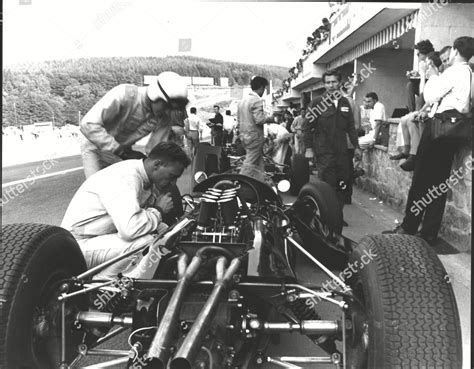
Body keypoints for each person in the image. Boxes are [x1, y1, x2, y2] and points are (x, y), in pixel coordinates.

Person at [384, 36, 473, 245]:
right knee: (439, 185)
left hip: (438, 130)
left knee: (421, 181)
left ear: (456, 51)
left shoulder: (454, 71)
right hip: (454, 132)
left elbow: (429, 95)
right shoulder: (470, 73)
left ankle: (409, 226)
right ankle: (429, 232)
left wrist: (428, 75)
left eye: (451, 51)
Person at [61, 142, 191, 279]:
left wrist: (171, 234)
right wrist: (158, 210)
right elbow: (130, 230)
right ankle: (101, 286)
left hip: (96, 240)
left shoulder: (145, 179)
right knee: (146, 243)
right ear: (157, 165)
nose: (173, 183)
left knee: (159, 239)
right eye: (172, 176)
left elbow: (145, 218)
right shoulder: (126, 177)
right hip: (77, 247)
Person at [79, 71, 189, 178]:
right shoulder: (125, 94)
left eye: (171, 110)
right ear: (155, 95)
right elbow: (88, 124)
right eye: (166, 107)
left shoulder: (164, 117)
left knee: (129, 188)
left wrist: (150, 163)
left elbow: (156, 149)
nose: (167, 112)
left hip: (123, 153)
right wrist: (121, 151)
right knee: (96, 187)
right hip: (95, 147)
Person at [304, 70, 361, 211]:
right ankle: (326, 216)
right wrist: (309, 149)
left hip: (342, 152)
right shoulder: (317, 103)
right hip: (324, 152)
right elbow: (307, 127)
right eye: (328, 82)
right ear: (324, 84)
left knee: (342, 184)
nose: (331, 85)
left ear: (339, 83)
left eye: (334, 82)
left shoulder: (345, 103)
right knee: (327, 186)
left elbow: (351, 128)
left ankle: (338, 216)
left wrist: (357, 146)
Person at [391, 51, 444, 171]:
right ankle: (407, 150)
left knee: (411, 121)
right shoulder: (432, 79)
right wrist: (421, 110)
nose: (427, 68)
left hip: (435, 113)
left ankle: (414, 155)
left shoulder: (438, 79)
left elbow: (424, 96)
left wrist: (423, 74)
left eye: (428, 65)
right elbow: (426, 99)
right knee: (405, 119)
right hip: (428, 109)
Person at [237, 76, 269, 182]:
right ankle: (238, 184)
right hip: (254, 137)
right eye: (264, 89)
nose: (264, 91)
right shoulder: (256, 100)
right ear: (260, 88)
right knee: (249, 163)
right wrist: (271, 119)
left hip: (244, 136)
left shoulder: (242, 101)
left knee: (259, 163)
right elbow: (259, 120)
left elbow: (238, 120)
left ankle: (260, 184)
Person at [406, 40, 435, 112]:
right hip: (426, 85)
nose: (418, 57)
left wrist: (422, 74)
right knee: (410, 85)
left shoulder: (434, 60)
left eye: (419, 54)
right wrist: (417, 75)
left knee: (410, 85)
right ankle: (411, 111)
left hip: (433, 88)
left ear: (426, 54)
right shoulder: (424, 62)